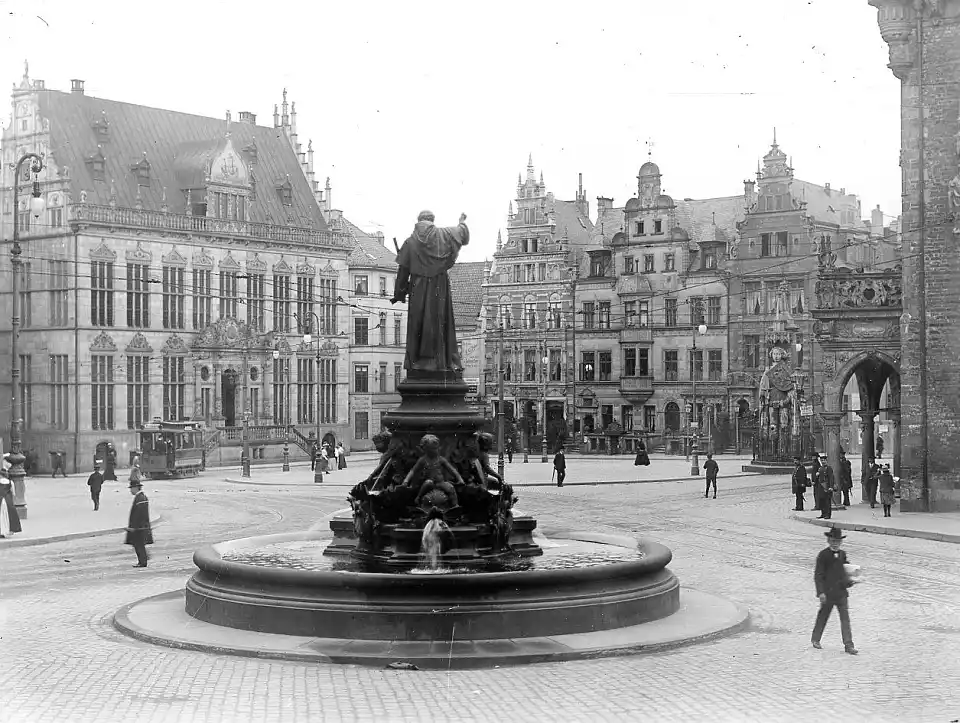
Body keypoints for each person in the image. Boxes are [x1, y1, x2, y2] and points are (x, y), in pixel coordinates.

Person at [391, 211, 469, 372]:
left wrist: (399, 292)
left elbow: (402, 272)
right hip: (439, 286)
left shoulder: (410, 242)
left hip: (417, 288)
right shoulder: (444, 235)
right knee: (440, 322)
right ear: (432, 221)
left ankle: (418, 363)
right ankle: (443, 362)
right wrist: (461, 222)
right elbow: (463, 234)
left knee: (418, 325)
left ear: (418, 221)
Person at [811, 528, 859, 655]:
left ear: (841, 542)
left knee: (845, 619)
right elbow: (818, 575)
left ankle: (849, 645)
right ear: (828, 540)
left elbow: (845, 572)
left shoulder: (843, 554)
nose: (835, 543)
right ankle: (816, 639)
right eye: (832, 541)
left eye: (837, 541)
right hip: (828, 593)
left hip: (841, 593)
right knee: (823, 616)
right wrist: (820, 592)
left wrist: (851, 581)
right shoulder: (823, 555)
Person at [125, 477, 153, 568]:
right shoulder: (141, 497)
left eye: (131, 488)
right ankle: (143, 560)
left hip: (139, 528)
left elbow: (138, 514)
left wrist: (134, 527)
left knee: (139, 545)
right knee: (139, 544)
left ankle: (142, 561)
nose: (130, 491)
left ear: (136, 488)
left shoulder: (140, 498)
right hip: (141, 527)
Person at [0, 455, 22, 538]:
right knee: (8, 516)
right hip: (8, 501)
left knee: (1, 516)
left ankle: (1, 531)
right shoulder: (10, 482)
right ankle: (7, 531)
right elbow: (13, 493)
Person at [817, 455, 836, 520]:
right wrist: (817, 475)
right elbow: (819, 479)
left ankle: (828, 514)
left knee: (827, 501)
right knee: (821, 501)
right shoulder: (820, 468)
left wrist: (831, 487)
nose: (823, 462)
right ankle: (823, 513)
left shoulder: (829, 468)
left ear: (826, 461)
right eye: (822, 460)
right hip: (821, 487)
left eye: (824, 460)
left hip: (827, 487)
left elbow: (831, 478)